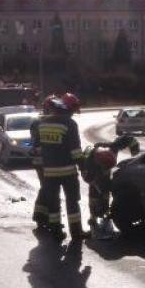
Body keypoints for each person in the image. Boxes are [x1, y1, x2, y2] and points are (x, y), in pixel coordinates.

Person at [32, 92, 88, 241]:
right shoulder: (69, 124)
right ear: (68, 109)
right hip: (68, 172)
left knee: (53, 202)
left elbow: (38, 148)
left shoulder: (42, 124)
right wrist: (83, 167)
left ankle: (56, 231)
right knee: (72, 202)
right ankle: (77, 233)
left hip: (49, 172)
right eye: (73, 111)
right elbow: (75, 151)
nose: (73, 114)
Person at [82, 135, 140, 238]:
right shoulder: (88, 164)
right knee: (95, 193)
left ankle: (104, 214)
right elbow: (88, 178)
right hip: (91, 169)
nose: (106, 171)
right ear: (98, 164)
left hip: (102, 159)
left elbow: (130, 139)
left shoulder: (114, 148)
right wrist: (96, 186)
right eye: (105, 169)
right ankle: (93, 219)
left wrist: (135, 153)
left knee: (105, 187)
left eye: (108, 169)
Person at [29, 95, 57, 231]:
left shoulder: (40, 122)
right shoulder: (40, 123)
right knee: (48, 189)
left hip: (44, 162)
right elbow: (38, 144)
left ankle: (41, 216)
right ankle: (44, 217)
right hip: (43, 162)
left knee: (46, 188)